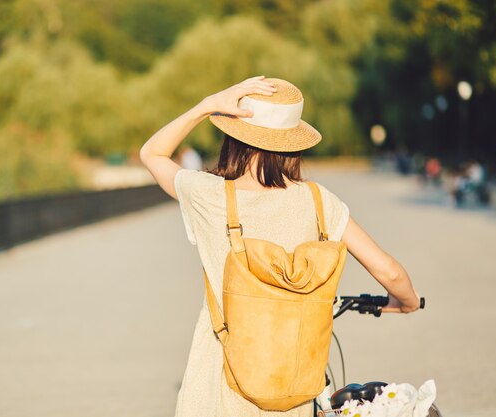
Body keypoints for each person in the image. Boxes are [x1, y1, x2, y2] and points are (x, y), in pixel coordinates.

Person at [139, 76, 421, 417]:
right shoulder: (319, 202)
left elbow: (152, 152)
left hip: (217, 394)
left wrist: (209, 104)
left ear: (234, 139)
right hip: (295, 396)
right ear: (294, 143)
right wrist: (404, 302)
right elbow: (388, 270)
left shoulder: (210, 195)